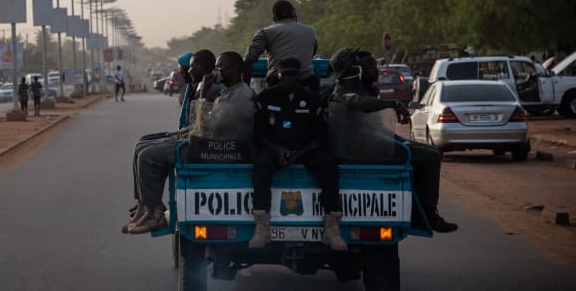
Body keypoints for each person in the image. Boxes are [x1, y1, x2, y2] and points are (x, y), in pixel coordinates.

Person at [328, 48, 458, 233]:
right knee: (430, 156)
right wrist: (393, 103)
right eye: (371, 68)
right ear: (356, 70)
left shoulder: (364, 89)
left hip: (376, 142)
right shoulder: (343, 92)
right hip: (366, 149)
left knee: (426, 152)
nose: (377, 72)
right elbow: (360, 104)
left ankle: (420, 210)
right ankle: (429, 215)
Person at [126, 51, 255, 234]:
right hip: (210, 144)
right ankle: (148, 206)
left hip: (216, 150)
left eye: (219, 68)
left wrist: (202, 94)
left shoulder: (239, 96)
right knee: (144, 147)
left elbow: (205, 125)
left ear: (233, 70)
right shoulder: (228, 92)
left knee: (148, 155)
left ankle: (155, 213)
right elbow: (204, 125)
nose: (215, 71)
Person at [249, 57, 347, 250]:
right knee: (260, 165)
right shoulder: (265, 98)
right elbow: (258, 135)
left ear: (299, 76)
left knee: (328, 165)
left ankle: (332, 227)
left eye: (292, 74)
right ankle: (262, 226)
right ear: (278, 75)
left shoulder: (312, 99)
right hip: (275, 148)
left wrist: (299, 152)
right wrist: (277, 150)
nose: (288, 78)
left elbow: (320, 137)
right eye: (284, 74)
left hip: (305, 149)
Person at [243, 0, 319, 92]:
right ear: (294, 14)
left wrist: (245, 89)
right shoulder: (311, 31)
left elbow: (249, 59)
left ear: (274, 18)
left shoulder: (265, 32)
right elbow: (312, 54)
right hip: (307, 84)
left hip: (277, 84)